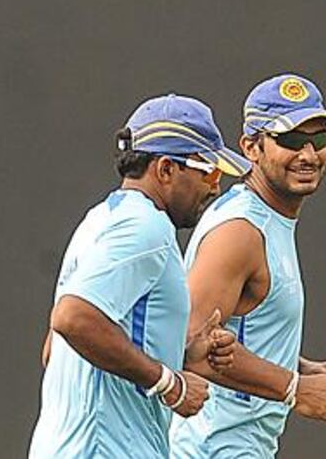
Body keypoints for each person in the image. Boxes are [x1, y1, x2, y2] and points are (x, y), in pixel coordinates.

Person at [28, 94, 249, 458]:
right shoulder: (145, 228)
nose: (215, 186)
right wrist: (169, 383)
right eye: (208, 170)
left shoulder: (99, 220)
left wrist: (182, 354)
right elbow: (72, 318)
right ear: (165, 170)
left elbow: (55, 349)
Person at [169, 73, 326, 459]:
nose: (309, 154)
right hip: (211, 448)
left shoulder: (268, 220)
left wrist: (300, 366)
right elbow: (188, 346)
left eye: (320, 139)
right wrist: (294, 386)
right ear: (251, 147)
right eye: (292, 141)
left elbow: (233, 331)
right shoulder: (240, 232)